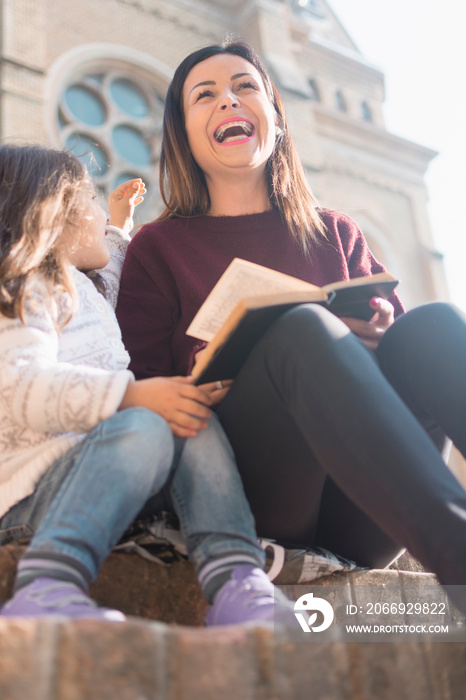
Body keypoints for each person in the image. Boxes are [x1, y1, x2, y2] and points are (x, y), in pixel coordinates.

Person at [116, 40, 466, 615]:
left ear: (275, 117)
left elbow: (409, 366)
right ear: (182, 133)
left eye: (245, 86)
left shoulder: (335, 232)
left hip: (367, 509)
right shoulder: (158, 250)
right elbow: (140, 394)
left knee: (433, 326)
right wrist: (207, 377)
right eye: (205, 95)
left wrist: (377, 334)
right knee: (299, 328)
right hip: (257, 497)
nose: (228, 99)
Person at [0, 144, 295, 625]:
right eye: (91, 202)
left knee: (187, 412)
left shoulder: (84, 287)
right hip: (30, 493)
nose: (98, 214)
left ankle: (238, 580)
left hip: (105, 474)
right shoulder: (24, 286)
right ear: (56, 216)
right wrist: (132, 395)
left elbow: (112, 264)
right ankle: (47, 583)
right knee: (148, 422)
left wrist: (118, 220)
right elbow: (19, 387)